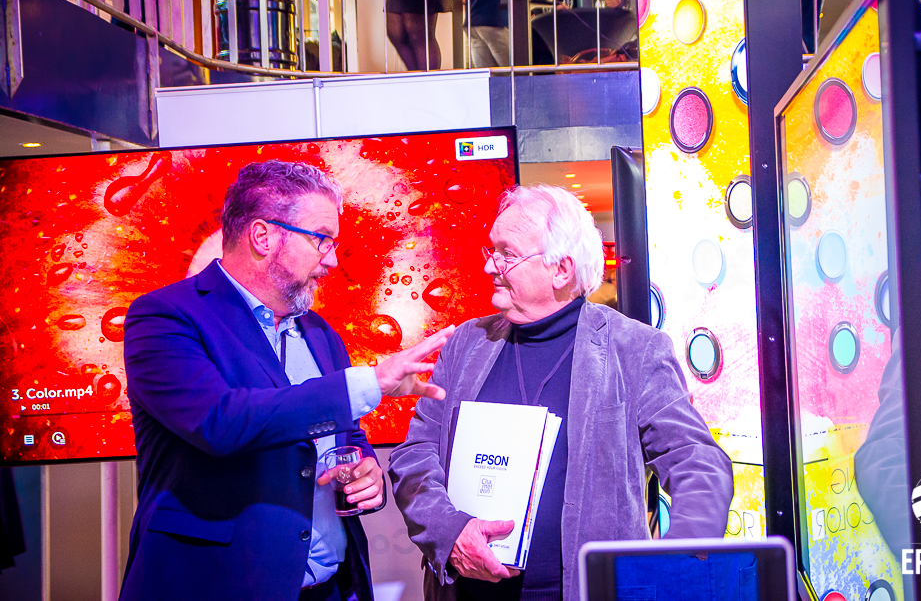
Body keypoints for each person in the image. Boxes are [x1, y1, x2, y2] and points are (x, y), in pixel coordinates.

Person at [119, 160, 453, 601]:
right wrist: (368, 383)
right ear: (263, 237)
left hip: (330, 587)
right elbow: (220, 423)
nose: (332, 260)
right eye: (321, 239)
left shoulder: (320, 333)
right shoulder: (165, 317)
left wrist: (364, 467)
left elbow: (344, 433)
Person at [389, 184, 733, 601]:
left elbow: (698, 462)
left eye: (507, 254)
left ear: (561, 270)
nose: (490, 266)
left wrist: (678, 563)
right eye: (492, 250)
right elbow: (414, 454)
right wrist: (450, 532)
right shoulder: (467, 344)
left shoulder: (634, 349)